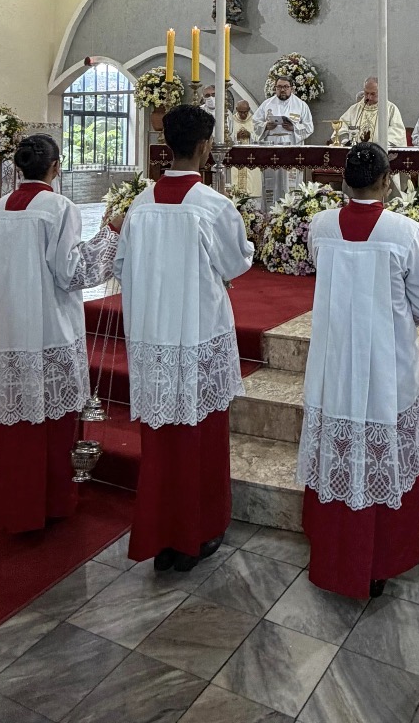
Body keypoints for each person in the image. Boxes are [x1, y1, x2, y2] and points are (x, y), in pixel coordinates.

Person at [296, 143, 419, 598]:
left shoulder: (320, 227)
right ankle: (379, 561)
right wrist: (394, 321)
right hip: (386, 364)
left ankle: (334, 555)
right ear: (386, 181)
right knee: (382, 457)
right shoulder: (403, 232)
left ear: (344, 182)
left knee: (337, 456)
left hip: (333, 361)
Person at [116, 105, 254, 570]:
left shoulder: (140, 204)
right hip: (197, 337)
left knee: (160, 442)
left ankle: (161, 536)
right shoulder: (213, 206)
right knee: (199, 440)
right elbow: (237, 264)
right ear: (204, 147)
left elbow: (120, 267)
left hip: (152, 337)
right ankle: (195, 533)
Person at [0, 134, 121, 533]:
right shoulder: (59, 207)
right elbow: (73, 272)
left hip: (8, 328)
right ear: (56, 167)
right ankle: (53, 503)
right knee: (52, 424)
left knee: (17, 424)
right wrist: (110, 233)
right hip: (49, 326)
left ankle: (17, 505)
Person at [252, 77, 314, 208]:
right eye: (279, 87)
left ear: (291, 88)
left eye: (285, 86)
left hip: (291, 149)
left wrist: (294, 128)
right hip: (271, 150)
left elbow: (309, 127)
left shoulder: (301, 105)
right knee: (271, 183)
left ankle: (292, 214)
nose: (282, 90)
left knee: (290, 183)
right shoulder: (267, 104)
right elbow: (255, 123)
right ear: (275, 88)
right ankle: (269, 213)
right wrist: (265, 126)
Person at [338, 78, 406, 148]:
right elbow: (342, 127)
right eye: (366, 93)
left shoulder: (390, 109)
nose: (369, 97)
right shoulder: (354, 109)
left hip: (380, 154)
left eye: (373, 94)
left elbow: (397, 132)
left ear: (381, 92)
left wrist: (380, 145)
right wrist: (345, 141)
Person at [230, 100, 262, 198]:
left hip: (251, 159)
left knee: (252, 186)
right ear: (236, 110)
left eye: (245, 112)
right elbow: (226, 137)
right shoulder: (231, 120)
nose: (243, 114)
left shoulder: (255, 120)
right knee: (234, 190)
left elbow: (261, 138)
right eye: (240, 112)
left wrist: (250, 135)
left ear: (249, 109)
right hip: (236, 159)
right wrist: (235, 136)